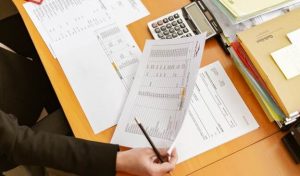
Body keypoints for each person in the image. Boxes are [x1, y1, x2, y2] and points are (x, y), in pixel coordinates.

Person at [0, 14, 177, 176]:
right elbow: (15, 141)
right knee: (94, 110)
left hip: (10, 59)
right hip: (14, 127)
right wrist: (118, 160)